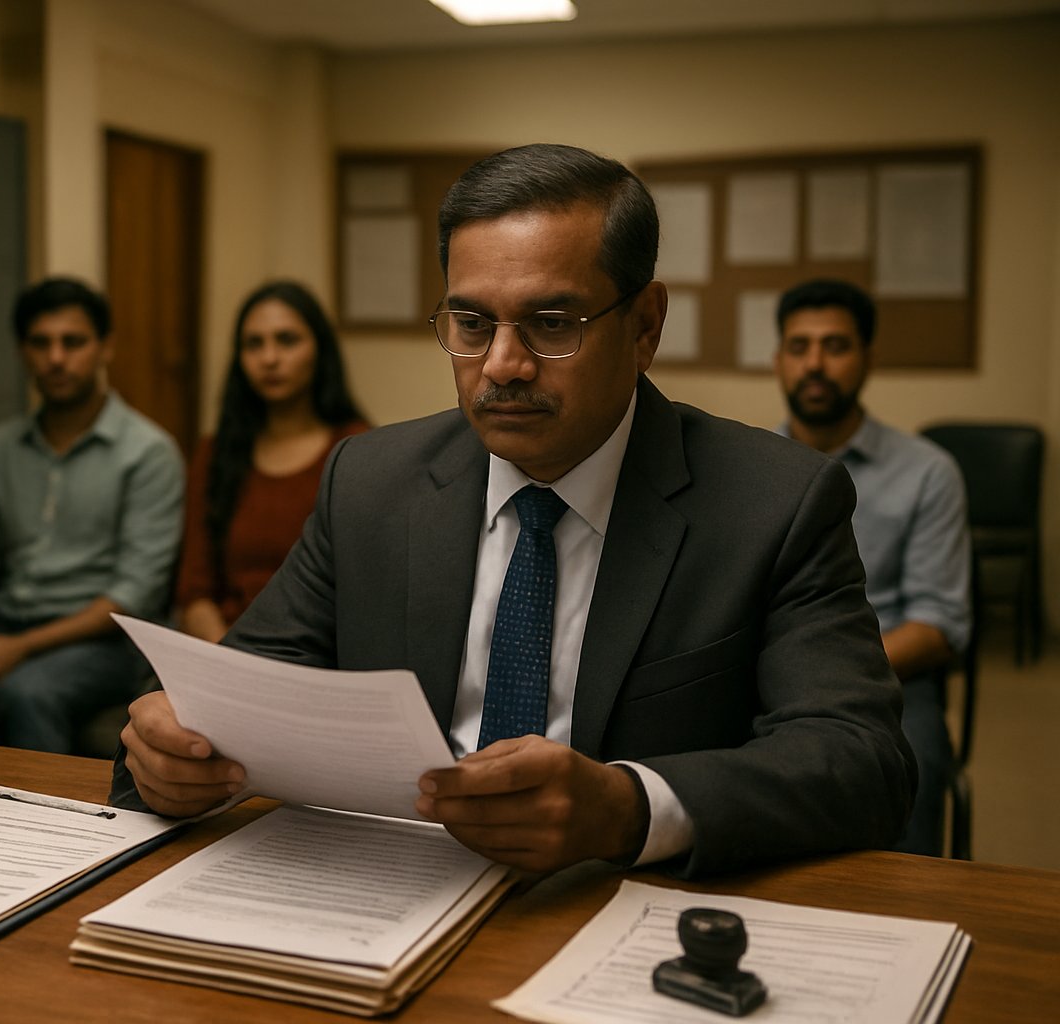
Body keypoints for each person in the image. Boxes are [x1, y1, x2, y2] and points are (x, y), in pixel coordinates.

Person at [112, 143, 915, 879]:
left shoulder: (774, 501)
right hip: (386, 890)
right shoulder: (370, 481)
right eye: (470, 322)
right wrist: (172, 754)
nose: (502, 364)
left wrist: (627, 808)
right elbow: (244, 689)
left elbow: (861, 760)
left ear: (645, 326)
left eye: (552, 324)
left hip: (618, 901)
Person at [773, 278, 970, 857]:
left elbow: (939, 624)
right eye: (798, 346)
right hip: (770, 670)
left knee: (908, 776)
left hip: (894, 679)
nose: (815, 363)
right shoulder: (755, 467)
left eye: (835, 346)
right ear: (778, 359)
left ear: (867, 359)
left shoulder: (929, 472)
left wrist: (831, 677)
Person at [0, 277, 185, 754]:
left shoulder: (148, 453)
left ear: (106, 348)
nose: (56, 358)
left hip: (104, 640)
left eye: (73, 342)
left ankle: (49, 828)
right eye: (41, 343)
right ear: (22, 352)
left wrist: (22, 647)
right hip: (5, 622)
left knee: (28, 693)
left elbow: (132, 595)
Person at [177, 282, 367, 643]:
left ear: (320, 349)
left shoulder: (359, 450)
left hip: (314, 655)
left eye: (287, 340)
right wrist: (227, 660)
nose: (269, 358)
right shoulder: (215, 453)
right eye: (253, 344)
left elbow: (364, 593)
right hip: (223, 648)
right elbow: (194, 592)